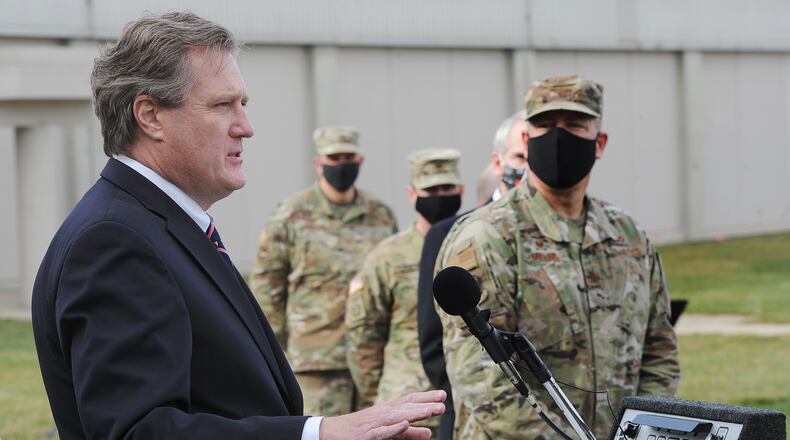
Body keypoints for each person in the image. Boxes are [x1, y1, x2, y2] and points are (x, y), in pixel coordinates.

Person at [31, 11, 443, 440]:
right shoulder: (115, 240)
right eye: (223, 105)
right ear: (150, 115)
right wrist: (318, 434)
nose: (245, 127)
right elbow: (140, 431)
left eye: (242, 104)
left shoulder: (159, 224)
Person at [436, 74, 681, 439]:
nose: (558, 136)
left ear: (599, 143)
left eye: (574, 125)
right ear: (526, 138)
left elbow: (659, 348)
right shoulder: (489, 236)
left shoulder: (628, 236)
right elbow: (482, 378)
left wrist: (648, 430)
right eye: (546, 125)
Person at [251, 126, 398, 417]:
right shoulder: (290, 215)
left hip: (372, 361)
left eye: (348, 157)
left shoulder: (380, 214)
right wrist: (273, 360)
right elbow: (268, 290)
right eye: (334, 157)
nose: (342, 165)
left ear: (360, 162)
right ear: (319, 163)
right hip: (317, 364)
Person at [415, 110, 531, 439]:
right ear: (498, 162)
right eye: (518, 156)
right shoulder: (450, 233)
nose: (526, 167)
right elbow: (432, 342)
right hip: (478, 417)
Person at [346, 148, 464, 436]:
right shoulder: (387, 256)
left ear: (461, 190)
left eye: (447, 188)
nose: (439, 196)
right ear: (412, 194)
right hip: (405, 407)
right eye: (430, 189)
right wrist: (384, 395)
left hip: (464, 401)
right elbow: (363, 336)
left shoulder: (471, 244)